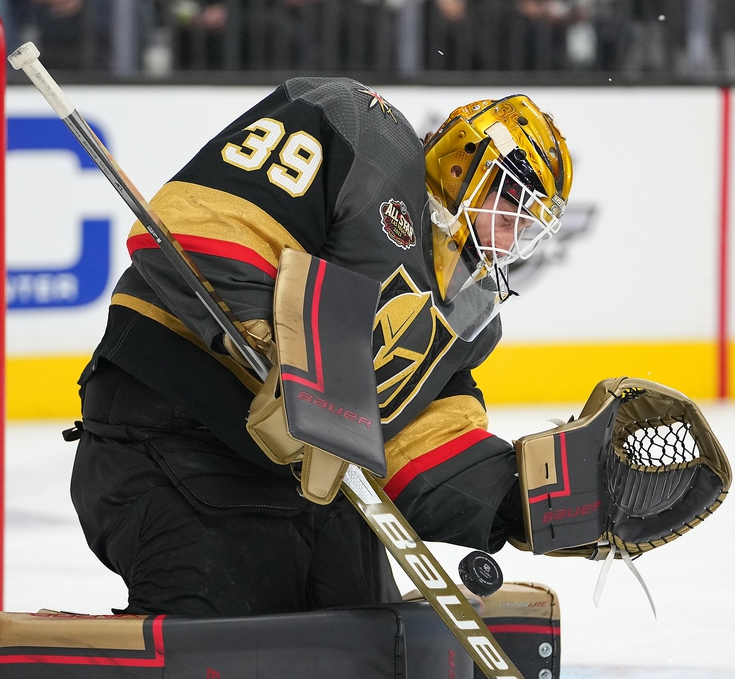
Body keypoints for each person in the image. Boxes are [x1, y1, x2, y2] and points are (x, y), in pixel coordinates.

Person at [69, 78, 572, 617]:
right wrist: (279, 348)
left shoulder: (470, 314)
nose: (511, 229)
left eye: (530, 218)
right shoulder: (360, 134)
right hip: (172, 433)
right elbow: (195, 228)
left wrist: (533, 502)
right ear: (460, 162)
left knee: (368, 651)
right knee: (228, 656)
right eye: (511, 197)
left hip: (300, 482)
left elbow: (416, 447)